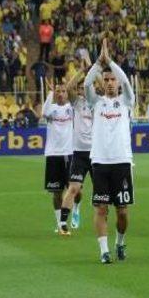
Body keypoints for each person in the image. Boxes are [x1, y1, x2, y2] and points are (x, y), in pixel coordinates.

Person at [84, 39, 135, 264]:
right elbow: (86, 85)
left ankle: (120, 242)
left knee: (122, 211)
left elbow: (126, 79)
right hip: (100, 162)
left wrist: (111, 61)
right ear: (102, 83)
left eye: (112, 78)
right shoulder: (96, 102)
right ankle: (104, 251)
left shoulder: (126, 101)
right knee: (101, 208)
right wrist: (98, 64)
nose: (110, 82)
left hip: (122, 161)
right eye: (106, 79)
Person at [59, 60, 92, 234]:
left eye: (84, 88)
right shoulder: (76, 103)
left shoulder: (97, 102)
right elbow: (68, 86)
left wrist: (94, 71)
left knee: (101, 193)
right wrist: (81, 70)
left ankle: (87, 213)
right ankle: (63, 223)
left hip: (96, 153)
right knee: (74, 189)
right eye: (80, 89)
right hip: (79, 153)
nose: (81, 91)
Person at [41, 77, 74, 234]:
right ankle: (60, 224)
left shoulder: (72, 108)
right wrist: (50, 93)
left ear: (67, 93)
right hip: (53, 154)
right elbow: (43, 113)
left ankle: (70, 215)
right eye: (58, 91)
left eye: (63, 91)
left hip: (69, 153)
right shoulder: (51, 109)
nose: (61, 94)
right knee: (56, 193)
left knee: (73, 189)